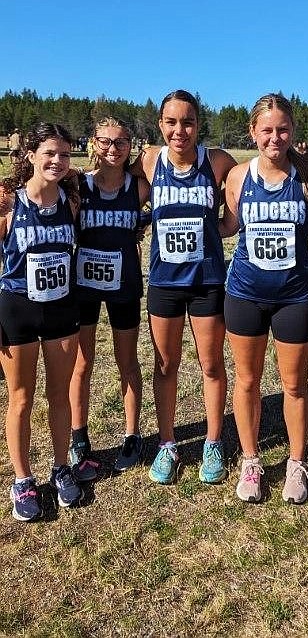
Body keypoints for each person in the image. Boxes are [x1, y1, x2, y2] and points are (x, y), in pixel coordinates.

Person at [220, 93, 308, 503]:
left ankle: (296, 463)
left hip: (295, 297)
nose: (275, 137)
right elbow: (230, 226)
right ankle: (251, 461)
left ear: (293, 131)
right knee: (247, 380)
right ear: (253, 132)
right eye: (266, 129)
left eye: (283, 129)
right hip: (245, 294)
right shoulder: (237, 178)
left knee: (294, 384)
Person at [131, 89, 236, 485]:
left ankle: (212, 440)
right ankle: (168, 443)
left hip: (207, 280)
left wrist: (227, 222)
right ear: (160, 125)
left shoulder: (216, 161)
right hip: (163, 282)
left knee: (210, 364)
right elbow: (113, 175)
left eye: (188, 122)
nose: (180, 130)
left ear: (198, 124)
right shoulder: (149, 160)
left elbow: (245, 180)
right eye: (171, 122)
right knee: (165, 364)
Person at [0, 122, 82, 521]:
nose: (57, 161)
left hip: (61, 308)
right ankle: (22, 479)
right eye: (49, 153)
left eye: (64, 154)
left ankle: (61, 465)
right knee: (21, 397)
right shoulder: (8, 203)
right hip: (17, 309)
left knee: (59, 393)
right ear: (30, 155)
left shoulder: (70, 200)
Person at [69, 117, 150, 480]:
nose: (112, 149)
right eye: (105, 142)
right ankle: (78, 435)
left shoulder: (139, 187)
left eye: (120, 143)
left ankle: (132, 435)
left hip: (124, 286)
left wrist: (144, 224)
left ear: (130, 146)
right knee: (82, 363)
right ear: (93, 143)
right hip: (83, 286)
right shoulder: (77, 185)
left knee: (126, 361)